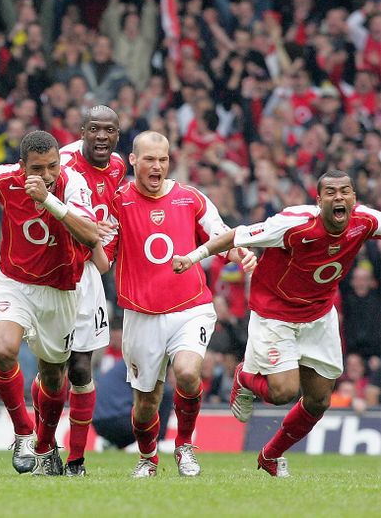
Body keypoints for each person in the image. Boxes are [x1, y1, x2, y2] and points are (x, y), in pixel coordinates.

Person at [173, 170, 381, 477]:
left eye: (345, 192)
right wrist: (193, 257)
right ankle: (245, 377)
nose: (339, 198)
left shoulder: (366, 221)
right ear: (319, 199)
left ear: (354, 198)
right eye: (331, 193)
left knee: (319, 399)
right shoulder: (293, 224)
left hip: (318, 315)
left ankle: (270, 456)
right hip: (276, 313)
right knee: (283, 392)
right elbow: (237, 234)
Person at [103, 131, 255, 478]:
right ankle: (148, 458)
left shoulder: (190, 198)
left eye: (163, 159)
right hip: (141, 314)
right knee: (146, 403)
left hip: (190, 307)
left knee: (187, 372)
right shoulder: (118, 201)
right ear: (133, 161)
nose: (157, 166)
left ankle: (184, 446)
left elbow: (222, 236)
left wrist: (240, 252)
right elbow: (103, 256)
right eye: (150, 159)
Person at [0, 130, 98, 475]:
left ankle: (45, 445)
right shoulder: (3, 178)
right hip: (13, 281)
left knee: (54, 375)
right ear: (22, 166)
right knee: (4, 349)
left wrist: (48, 199)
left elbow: (90, 234)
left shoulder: (73, 184)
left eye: (52, 166)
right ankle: (23, 432)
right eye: (38, 169)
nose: (47, 175)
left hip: (59, 289)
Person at [57, 105, 126, 476]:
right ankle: (41, 445)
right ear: (82, 131)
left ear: (117, 135)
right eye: (95, 129)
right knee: (54, 369)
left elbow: (110, 218)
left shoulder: (116, 167)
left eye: (109, 130)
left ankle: (76, 460)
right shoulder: (62, 164)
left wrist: (105, 257)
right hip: (53, 270)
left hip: (86, 274)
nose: (102, 136)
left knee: (81, 367)